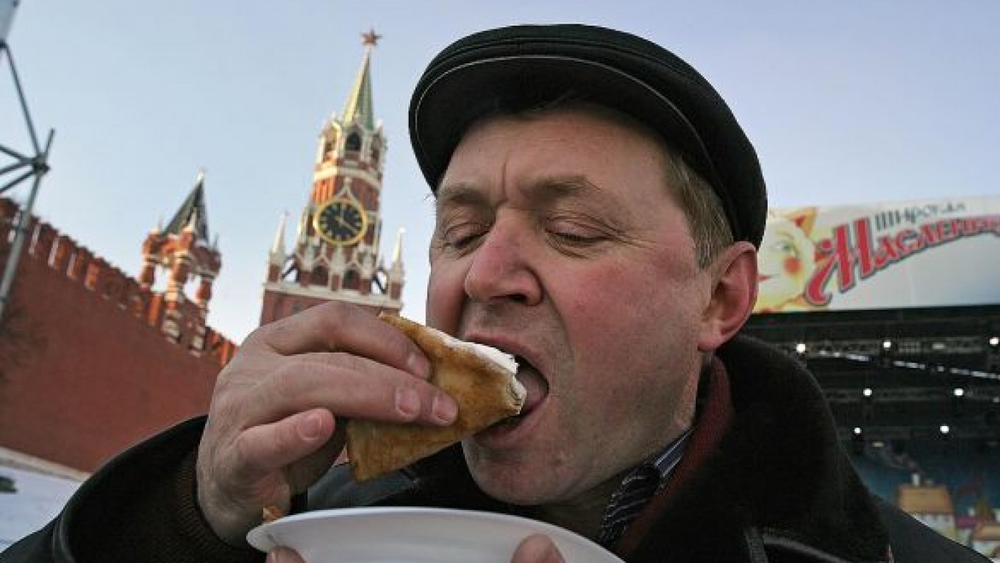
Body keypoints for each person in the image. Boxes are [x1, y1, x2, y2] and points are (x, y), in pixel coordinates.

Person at [2, 24, 987, 563]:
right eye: (461, 232)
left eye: (573, 229)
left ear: (720, 298)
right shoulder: (316, 518)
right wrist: (188, 520)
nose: (483, 275)